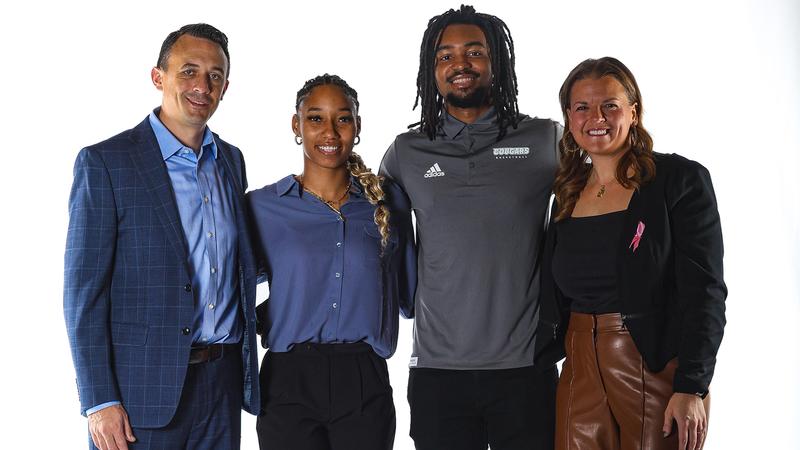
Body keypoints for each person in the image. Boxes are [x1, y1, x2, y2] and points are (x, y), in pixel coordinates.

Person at [64, 24, 260, 450]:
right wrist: (99, 400)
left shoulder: (231, 160)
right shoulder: (106, 163)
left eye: (215, 75)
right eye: (188, 71)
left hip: (221, 387)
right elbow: (84, 294)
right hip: (140, 395)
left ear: (226, 87)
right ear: (159, 78)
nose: (202, 86)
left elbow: (235, 264)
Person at [379, 5, 561, 449]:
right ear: (431, 69)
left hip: (525, 368)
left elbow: (602, 202)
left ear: (496, 61)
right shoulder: (406, 153)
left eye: (474, 52)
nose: (459, 64)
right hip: (438, 373)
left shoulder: (545, 141)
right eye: (444, 56)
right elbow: (379, 238)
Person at [534, 57, 726, 450]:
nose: (596, 117)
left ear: (634, 112)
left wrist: (692, 386)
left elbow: (705, 291)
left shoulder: (678, 181)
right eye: (582, 107)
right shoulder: (566, 195)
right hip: (579, 370)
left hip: (654, 368)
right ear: (569, 118)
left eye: (610, 105)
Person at [246, 74, 416, 450]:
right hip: (288, 379)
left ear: (357, 126)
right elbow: (228, 286)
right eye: (316, 118)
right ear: (297, 125)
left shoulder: (389, 204)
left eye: (342, 118)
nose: (329, 132)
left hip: (363, 377)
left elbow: (409, 297)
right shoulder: (262, 207)